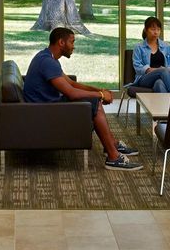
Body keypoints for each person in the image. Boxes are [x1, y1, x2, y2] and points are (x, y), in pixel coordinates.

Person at [24, 27, 142, 170]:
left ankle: (112, 145)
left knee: (94, 101)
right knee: (95, 102)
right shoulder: (47, 62)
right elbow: (72, 93)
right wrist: (101, 95)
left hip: (47, 106)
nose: (74, 46)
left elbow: (72, 83)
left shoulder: (48, 58)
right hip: (44, 112)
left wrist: (99, 90)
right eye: (72, 42)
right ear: (61, 42)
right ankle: (113, 156)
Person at [130, 16, 170, 94]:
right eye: (153, 29)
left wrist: (169, 70)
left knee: (159, 84)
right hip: (145, 79)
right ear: (145, 30)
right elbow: (138, 67)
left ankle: (165, 106)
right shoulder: (139, 47)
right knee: (163, 71)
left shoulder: (167, 47)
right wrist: (157, 70)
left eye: (158, 29)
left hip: (165, 77)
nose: (156, 32)